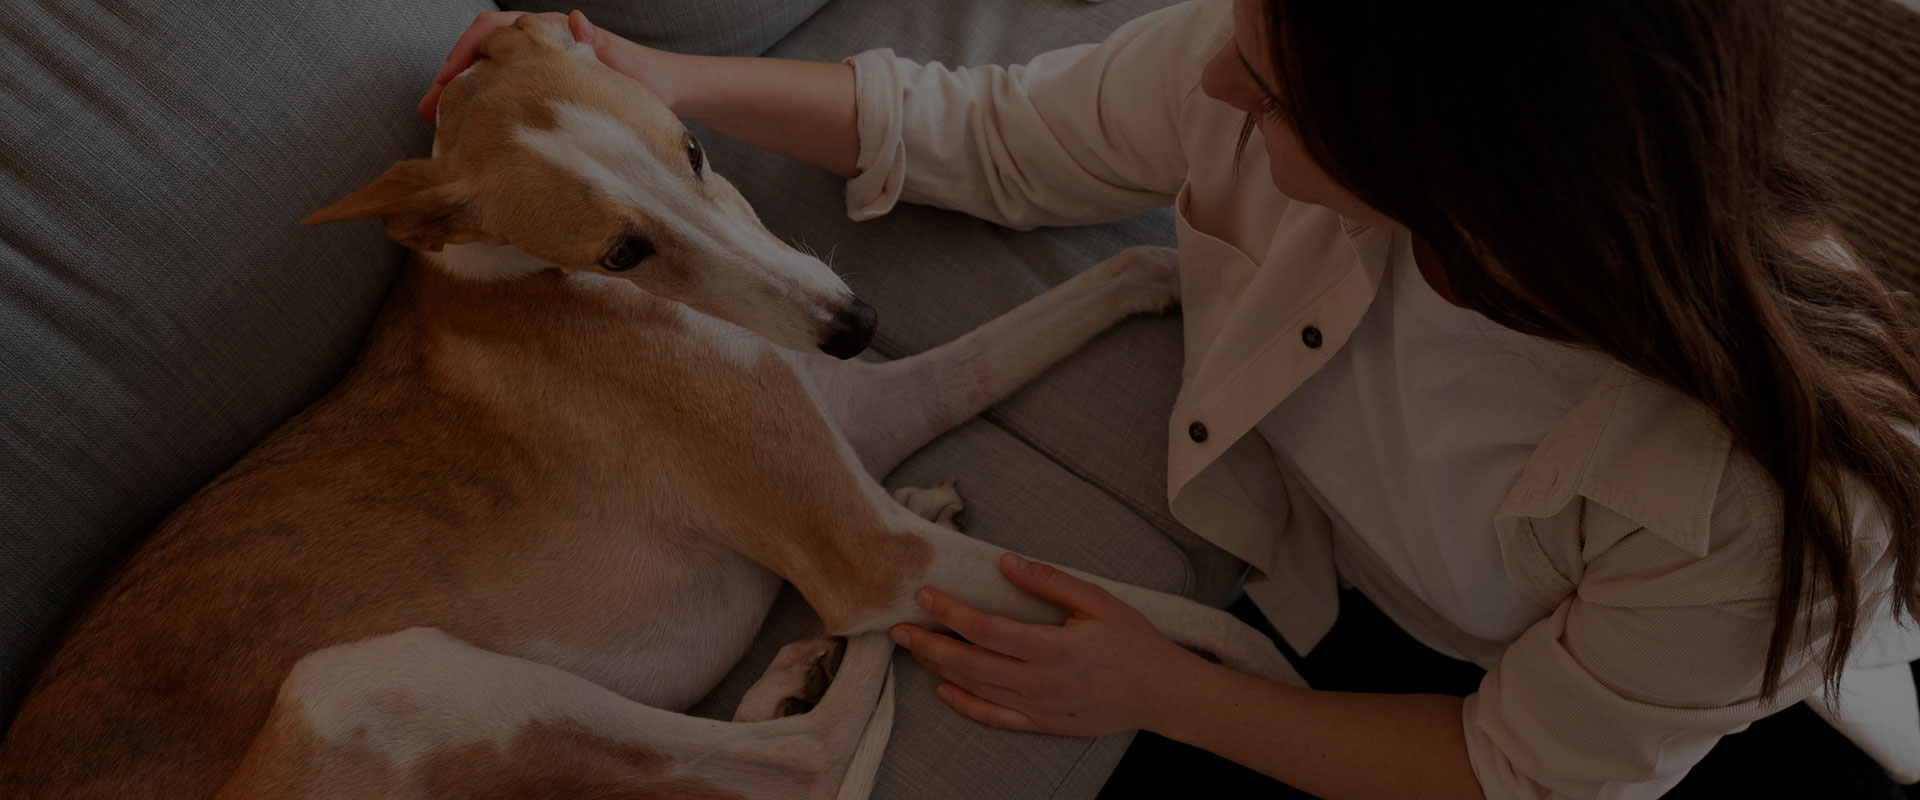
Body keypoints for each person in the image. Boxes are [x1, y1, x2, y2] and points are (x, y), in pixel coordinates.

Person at [422, 2, 1920, 797]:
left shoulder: (1766, 514)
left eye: (1268, 106)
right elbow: (993, 135)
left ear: (1469, 197)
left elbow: (1516, 774)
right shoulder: (1289, 46)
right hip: (1370, 603)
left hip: (1605, 735)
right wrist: (647, 86)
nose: (1215, 89)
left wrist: (1161, 692)